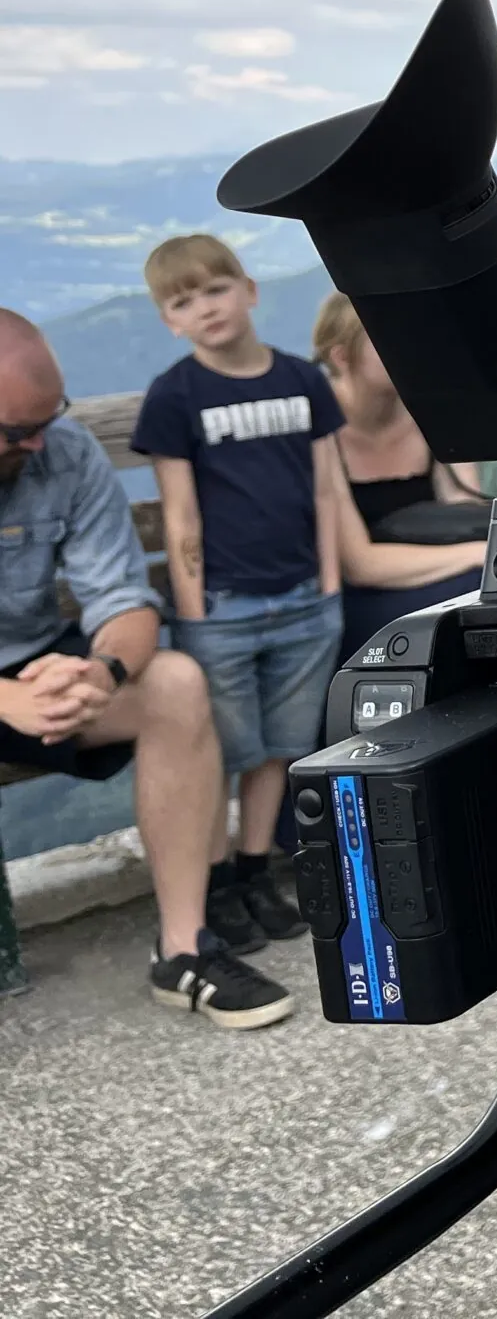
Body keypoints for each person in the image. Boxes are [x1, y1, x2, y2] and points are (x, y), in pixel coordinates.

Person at [0, 312, 289, 1028]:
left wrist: (102, 670)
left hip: (43, 672)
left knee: (173, 683)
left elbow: (124, 601)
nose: (36, 442)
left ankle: (185, 950)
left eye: (49, 418)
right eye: (14, 433)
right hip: (11, 692)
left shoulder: (61, 453)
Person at [133, 235, 344, 958]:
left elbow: (323, 488)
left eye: (215, 290)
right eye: (182, 301)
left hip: (305, 599)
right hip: (223, 608)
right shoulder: (176, 396)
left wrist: (329, 582)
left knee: (277, 750)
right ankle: (217, 881)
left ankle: (257, 872)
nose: (204, 308)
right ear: (169, 321)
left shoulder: (301, 381)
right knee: (221, 749)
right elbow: (179, 514)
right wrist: (193, 611)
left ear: (249, 291)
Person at [310, 293, 493, 665]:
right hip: (360, 598)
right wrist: (479, 555)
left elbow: (463, 518)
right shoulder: (320, 427)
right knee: (481, 597)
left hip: (438, 575)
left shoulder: (430, 412)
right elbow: (359, 565)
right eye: (389, 340)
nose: (411, 350)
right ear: (342, 357)